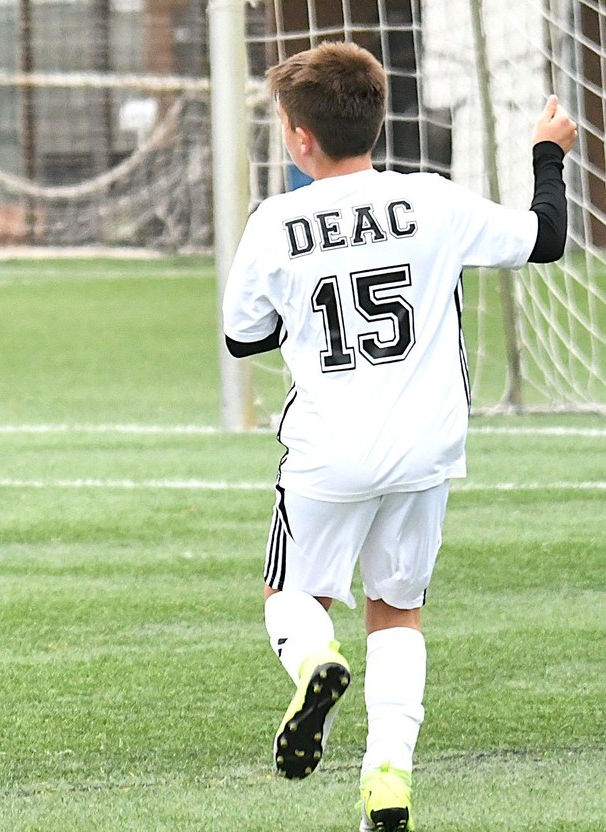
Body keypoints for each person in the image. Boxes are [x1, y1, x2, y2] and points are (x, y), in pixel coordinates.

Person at [221, 42, 576, 832]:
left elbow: (244, 337)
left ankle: (316, 661)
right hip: (425, 448)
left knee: (292, 598)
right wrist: (546, 153)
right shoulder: (431, 201)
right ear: (375, 120)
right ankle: (387, 784)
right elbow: (546, 237)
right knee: (397, 610)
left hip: (329, 451)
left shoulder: (274, 222)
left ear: (299, 137)